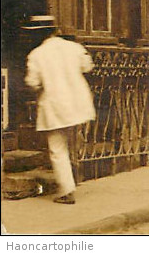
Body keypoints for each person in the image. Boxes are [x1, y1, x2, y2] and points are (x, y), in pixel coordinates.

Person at [23, 15, 96, 205]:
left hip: (55, 105)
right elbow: (87, 67)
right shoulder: (74, 48)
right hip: (78, 103)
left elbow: (32, 82)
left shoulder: (36, 54)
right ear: (55, 31)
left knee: (57, 148)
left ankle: (66, 190)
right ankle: (74, 178)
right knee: (74, 141)